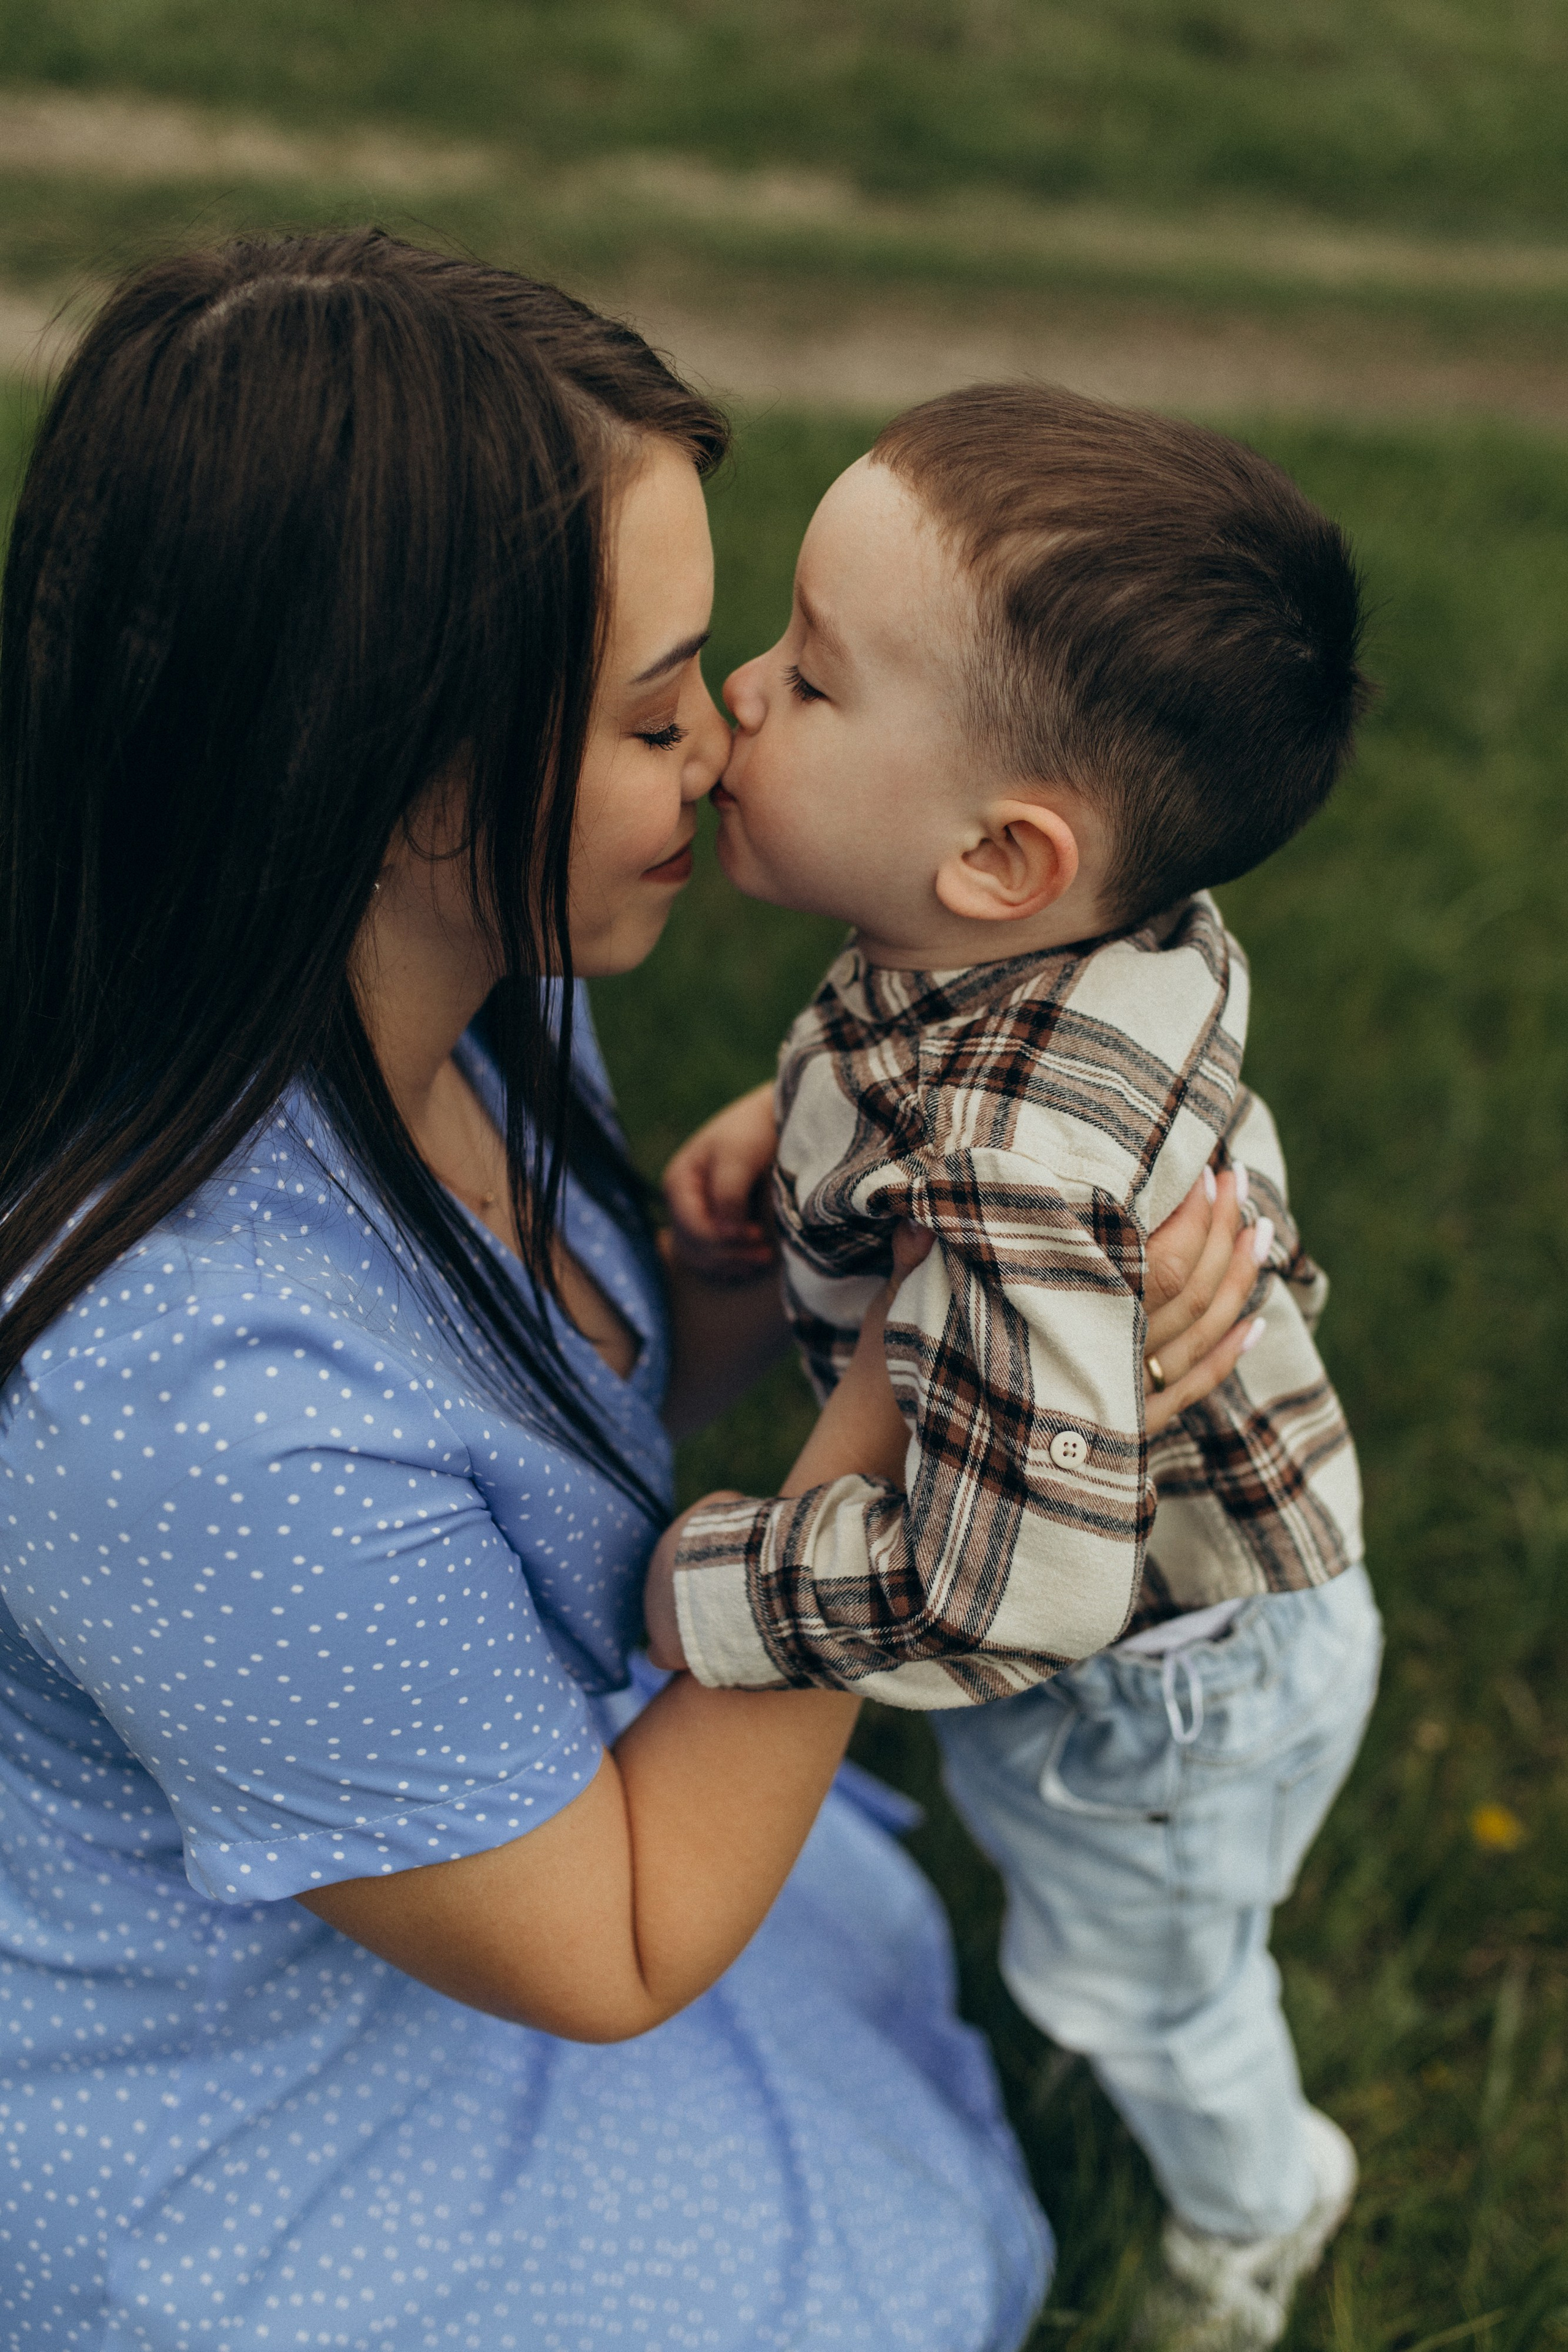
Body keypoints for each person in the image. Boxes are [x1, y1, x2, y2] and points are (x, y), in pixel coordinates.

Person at [0, 237, 1253, 2352]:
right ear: (400, 782)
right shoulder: (166, 1387)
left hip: (451, 1873)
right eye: (660, 705)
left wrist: (728, 1291)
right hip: (258, 2099)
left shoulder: (458, 997)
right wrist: (936, 1411)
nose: (735, 740)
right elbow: (620, 1950)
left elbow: (490, 1512)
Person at [649, 386, 1385, 2351]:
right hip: (1210, 1636)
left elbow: (1016, 1580)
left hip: (1158, 1686)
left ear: (1001, 852)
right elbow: (948, 1079)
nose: (739, 688)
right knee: (1126, 1924)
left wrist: (713, 1590)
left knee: (1130, 1987)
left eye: (808, 678)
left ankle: (1262, 2199)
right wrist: (791, 1120)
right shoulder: (1078, 929)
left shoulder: (1007, 1179)